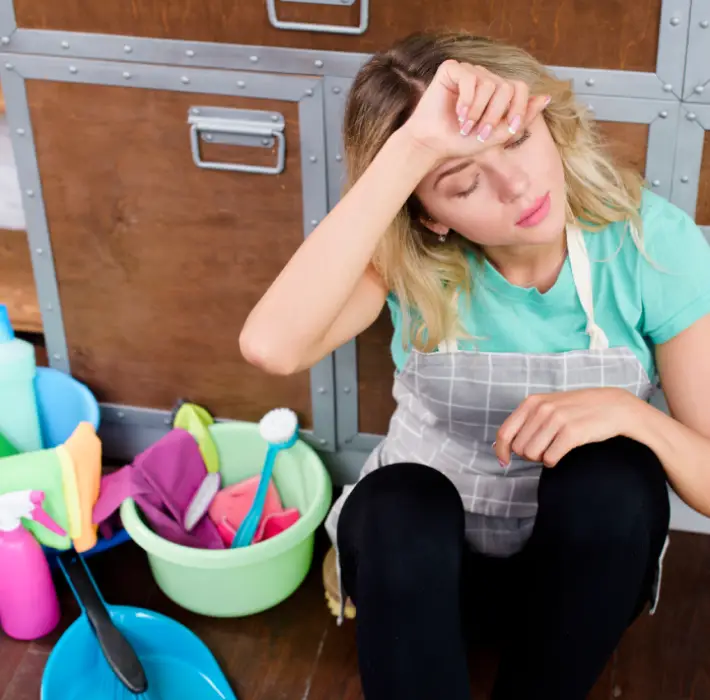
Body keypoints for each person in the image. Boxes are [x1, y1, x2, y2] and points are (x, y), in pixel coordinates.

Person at [240, 30, 710, 700]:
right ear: (428, 216)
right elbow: (272, 346)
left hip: (573, 588)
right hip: (424, 581)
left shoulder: (646, 241)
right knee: (396, 502)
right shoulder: (408, 259)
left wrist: (631, 415)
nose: (518, 187)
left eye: (516, 138)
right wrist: (410, 153)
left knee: (619, 475)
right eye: (462, 181)